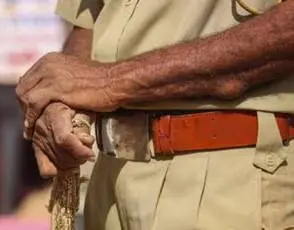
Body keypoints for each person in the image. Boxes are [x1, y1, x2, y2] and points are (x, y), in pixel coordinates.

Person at [16, 0, 294, 229]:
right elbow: (91, 22)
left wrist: (109, 82)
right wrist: (62, 100)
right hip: (110, 181)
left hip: (230, 179)